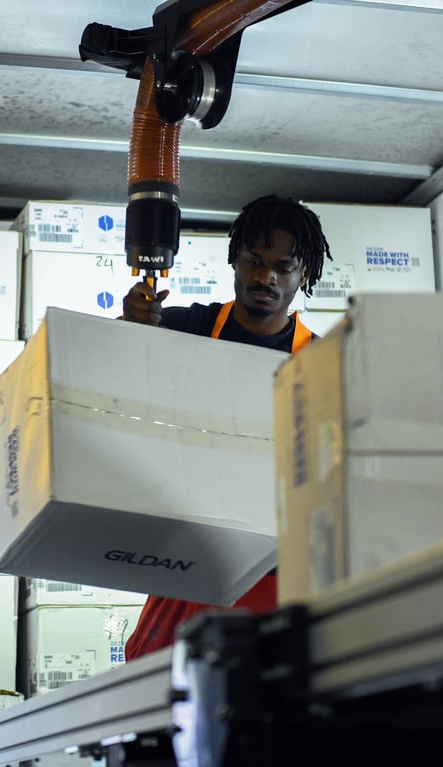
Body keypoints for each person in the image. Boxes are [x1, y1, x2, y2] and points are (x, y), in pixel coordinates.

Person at [119, 194, 332, 660]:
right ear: (234, 258)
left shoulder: (323, 363)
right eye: (255, 261)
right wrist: (130, 325)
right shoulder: (181, 327)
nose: (265, 278)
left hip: (279, 567)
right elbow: (105, 376)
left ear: (305, 276)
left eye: (283, 267)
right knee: (152, 687)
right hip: (189, 560)